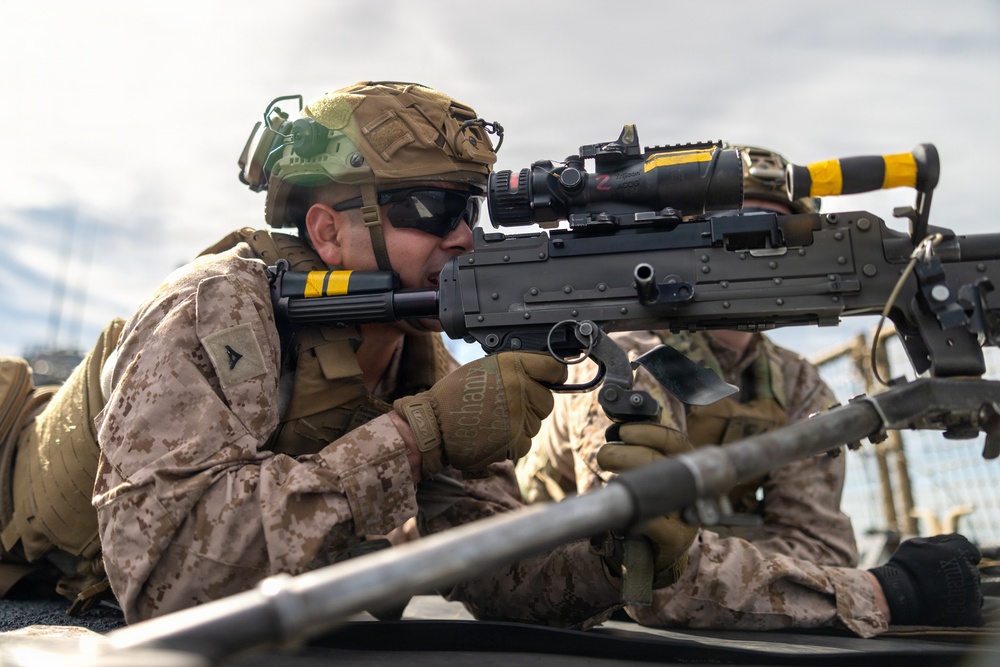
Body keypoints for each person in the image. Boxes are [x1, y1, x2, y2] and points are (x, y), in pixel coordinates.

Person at [0, 81, 699, 627]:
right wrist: (414, 438)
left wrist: (612, 551)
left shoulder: (415, 352)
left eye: (470, 211)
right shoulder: (219, 302)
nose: (461, 237)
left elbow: (497, 565)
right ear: (329, 231)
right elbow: (171, 581)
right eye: (428, 208)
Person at [517, 145, 985, 636]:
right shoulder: (632, 357)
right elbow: (643, 573)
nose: (754, 248)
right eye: (733, 227)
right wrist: (876, 593)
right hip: (551, 568)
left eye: (776, 232)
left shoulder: (794, 379)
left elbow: (820, 545)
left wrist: (726, 570)